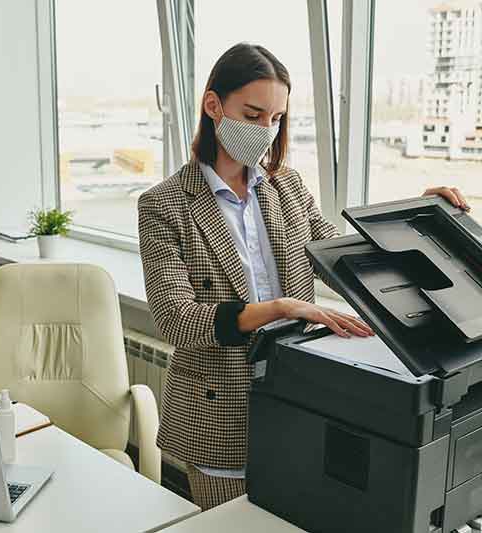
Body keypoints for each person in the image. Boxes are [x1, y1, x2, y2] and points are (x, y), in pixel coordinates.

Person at [137, 42, 469, 511]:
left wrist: (419, 216)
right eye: (252, 115)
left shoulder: (286, 185)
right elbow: (176, 319)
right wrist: (281, 308)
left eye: (276, 119)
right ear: (214, 106)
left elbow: (346, 261)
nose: (266, 131)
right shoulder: (163, 204)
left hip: (296, 394)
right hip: (217, 413)